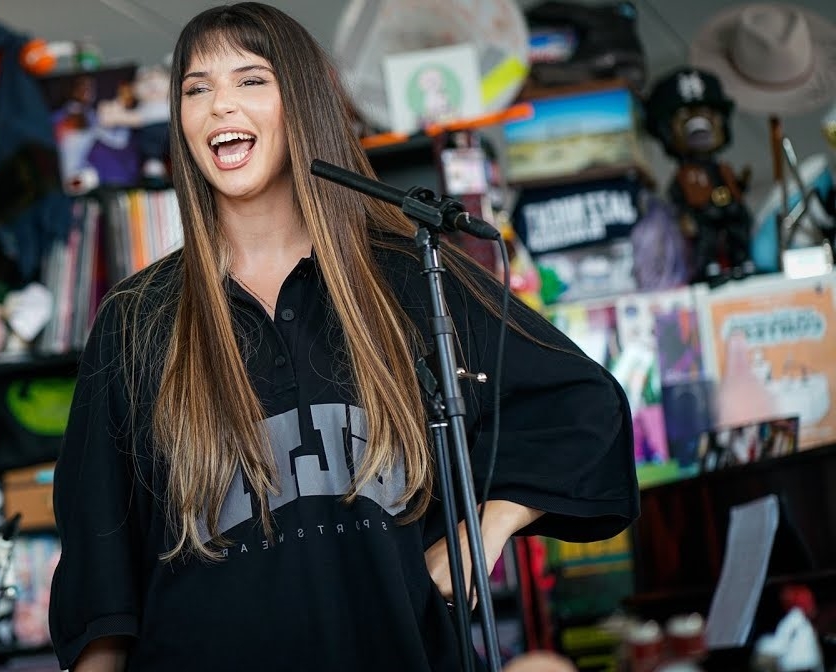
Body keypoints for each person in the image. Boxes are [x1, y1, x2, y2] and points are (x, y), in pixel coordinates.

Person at [49, 3, 640, 671]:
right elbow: (101, 584)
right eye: (197, 88)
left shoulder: (407, 278)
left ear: (301, 103)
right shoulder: (136, 318)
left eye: (250, 80)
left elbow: (586, 408)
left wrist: (488, 527)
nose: (219, 106)